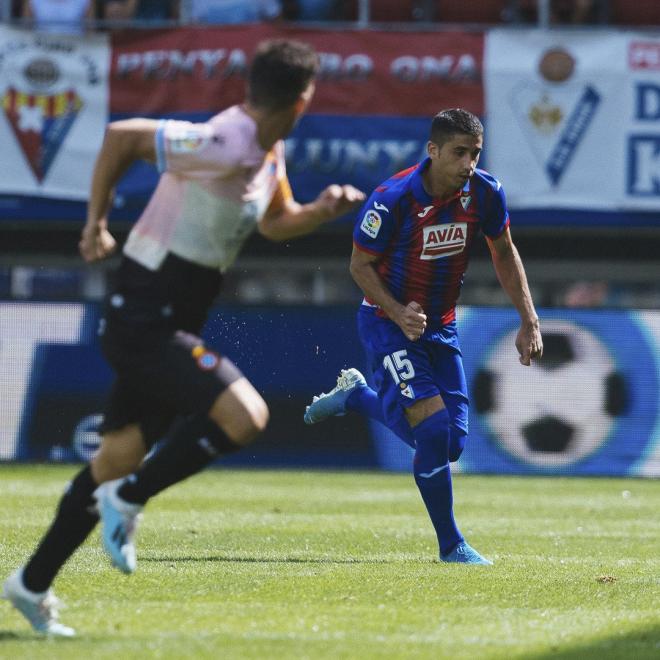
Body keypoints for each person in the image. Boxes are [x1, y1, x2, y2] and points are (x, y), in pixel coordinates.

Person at [2, 38, 364, 637]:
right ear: (303, 99)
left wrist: (321, 210)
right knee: (245, 415)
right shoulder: (225, 140)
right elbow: (121, 137)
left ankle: (31, 584)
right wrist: (94, 223)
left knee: (113, 457)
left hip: (174, 317)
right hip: (143, 314)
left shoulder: (268, 152)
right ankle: (132, 498)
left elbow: (274, 221)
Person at [304, 108, 543, 565]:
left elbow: (504, 252)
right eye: (458, 153)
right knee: (432, 430)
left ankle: (357, 396)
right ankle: (452, 545)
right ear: (432, 151)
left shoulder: (485, 192)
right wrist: (396, 311)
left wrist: (528, 319)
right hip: (387, 323)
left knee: (450, 443)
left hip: (441, 325)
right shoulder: (392, 199)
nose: (468, 163)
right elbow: (359, 266)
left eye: (474, 153)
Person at [21, 0, 94, 34]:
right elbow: (25, 31)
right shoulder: (31, 1)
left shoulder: (85, 1)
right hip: (40, 51)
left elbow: (90, 32)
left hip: (76, 49)